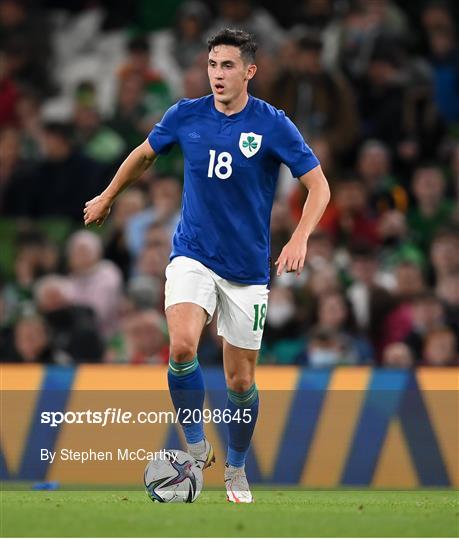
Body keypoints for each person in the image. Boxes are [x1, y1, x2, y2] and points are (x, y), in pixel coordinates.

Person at [83, 28, 330, 503]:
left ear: (249, 71)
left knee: (240, 381)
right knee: (180, 347)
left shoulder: (273, 125)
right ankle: (195, 449)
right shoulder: (185, 115)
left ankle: (235, 468)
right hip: (192, 253)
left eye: (228, 66)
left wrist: (299, 237)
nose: (217, 74)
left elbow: (319, 187)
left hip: (247, 270)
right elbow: (143, 155)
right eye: (213, 64)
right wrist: (108, 195)